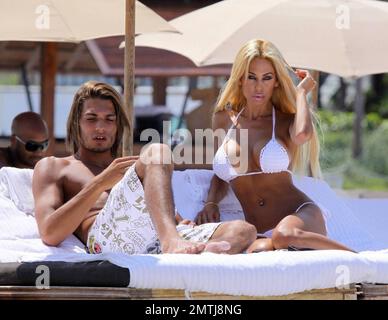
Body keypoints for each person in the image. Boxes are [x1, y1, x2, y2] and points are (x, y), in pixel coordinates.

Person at [32, 81, 256, 255]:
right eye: (91, 119)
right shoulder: (54, 166)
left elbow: (153, 204)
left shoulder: (129, 169)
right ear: (76, 123)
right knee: (157, 151)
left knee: (243, 231)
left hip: (154, 240)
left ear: (118, 125)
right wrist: (100, 182)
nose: (100, 127)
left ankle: (192, 251)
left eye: (109, 119)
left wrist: (178, 222)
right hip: (108, 240)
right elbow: (50, 233)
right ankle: (174, 243)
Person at [195, 39, 354, 253]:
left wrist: (301, 94)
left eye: (267, 78)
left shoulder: (285, 121)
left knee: (283, 236)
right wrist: (211, 203)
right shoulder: (223, 119)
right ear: (240, 79)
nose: (258, 86)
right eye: (251, 77)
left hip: (299, 217)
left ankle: (356, 257)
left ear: (277, 82)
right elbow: (222, 175)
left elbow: (303, 134)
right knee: (258, 251)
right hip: (261, 230)